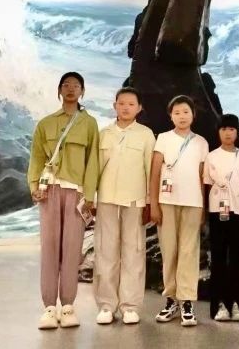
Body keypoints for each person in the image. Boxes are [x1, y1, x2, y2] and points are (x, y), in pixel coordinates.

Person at [28, 72, 100, 330]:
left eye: (76, 86)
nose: (71, 89)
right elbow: (36, 158)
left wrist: (89, 195)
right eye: (66, 85)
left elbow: (93, 161)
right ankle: (49, 307)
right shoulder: (45, 124)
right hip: (49, 191)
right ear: (59, 90)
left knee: (72, 249)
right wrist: (34, 186)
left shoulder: (89, 124)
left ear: (82, 91)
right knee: (49, 248)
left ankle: (68, 306)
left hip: (76, 193)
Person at [89, 87, 156, 326]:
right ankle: (106, 306)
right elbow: (94, 168)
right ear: (114, 105)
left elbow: (151, 170)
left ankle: (130, 306)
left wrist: (150, 202)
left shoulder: (146, 135)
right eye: (122, 103)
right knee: (105, 252)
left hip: (135, 200)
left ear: (139, 108)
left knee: (133, 253)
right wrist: (92, 198)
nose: (126, 107)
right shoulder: (104, 134)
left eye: (131, 104)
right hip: (106, 199)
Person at [149, 95, 210, 327]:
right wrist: (154, 204)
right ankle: (171, 299)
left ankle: (187, 302)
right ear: (170, 116)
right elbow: (155, 173)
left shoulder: (201, 142)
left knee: (189, 252)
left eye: (186, 112)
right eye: (177, 112)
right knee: (169, 251)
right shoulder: (163, 139)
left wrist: (203, 207)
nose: (182, 116)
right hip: (166, 202)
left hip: (193, 203)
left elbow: (203, 178)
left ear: (193, 114)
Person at [204, 114, 239, 322]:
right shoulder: (211, 156)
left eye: (232, 129)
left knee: (236, 258)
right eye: (224, 129)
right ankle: (218, 304)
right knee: (218, 258)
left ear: (237, 132)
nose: (228, 133)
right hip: (217, 211)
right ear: (219, 132)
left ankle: (236, 303)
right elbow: (206, 185)